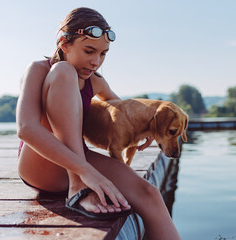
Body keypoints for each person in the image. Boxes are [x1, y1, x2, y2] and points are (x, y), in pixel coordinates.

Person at [16, 7, 181, 240]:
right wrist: (85, 171)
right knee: (63, 71)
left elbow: (123, 111)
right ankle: (77, 186)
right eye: (89, 50)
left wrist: (147, 126)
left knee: (150, 194)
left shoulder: (95, 81)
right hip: (43, 165)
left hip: (79, 158)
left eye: (103, 54)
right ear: (64, 43)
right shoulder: (39, 70)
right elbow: (26, 129)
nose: (96, 61)